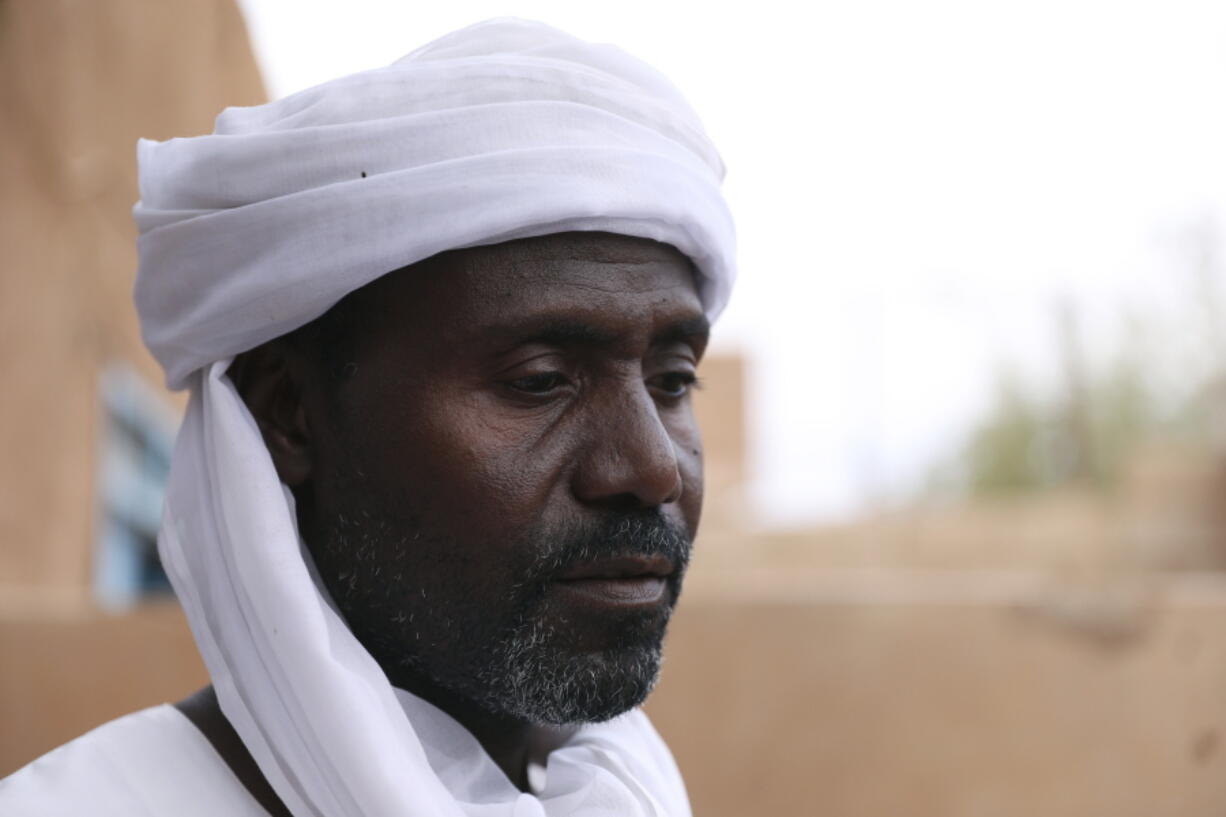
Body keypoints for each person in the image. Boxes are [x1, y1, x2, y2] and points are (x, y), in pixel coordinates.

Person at [0, 17, 734, 817]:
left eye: (672, 380)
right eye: (541, 380)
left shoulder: (627, 796)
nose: (651, 465)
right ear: (291, 414)